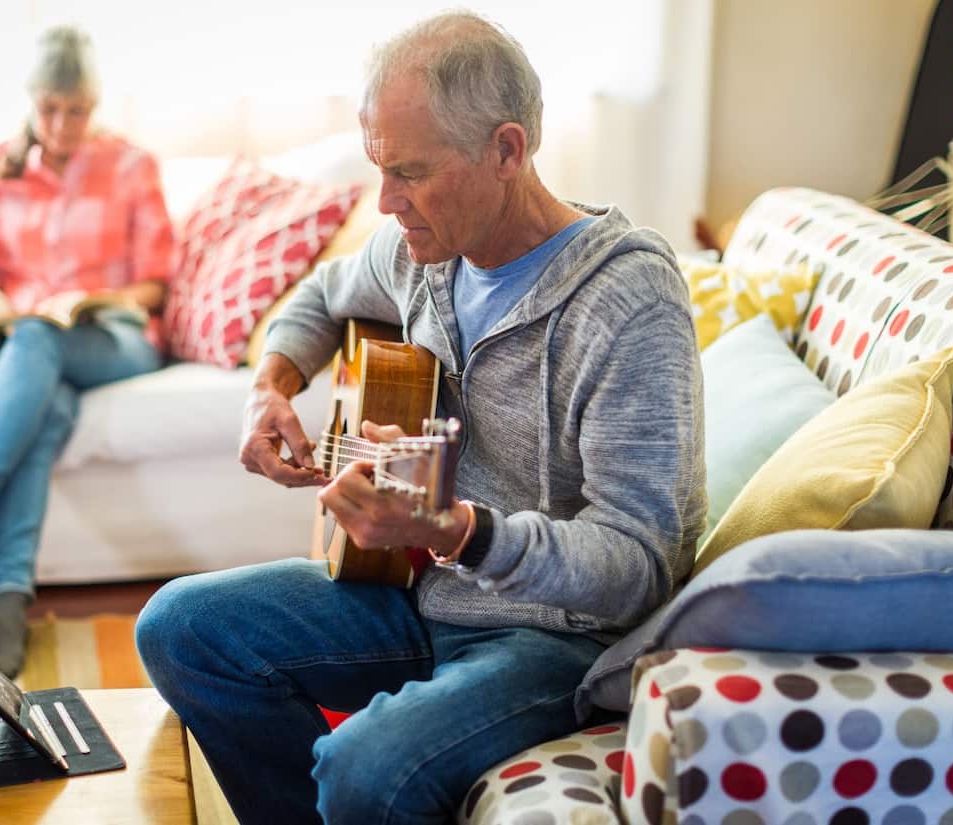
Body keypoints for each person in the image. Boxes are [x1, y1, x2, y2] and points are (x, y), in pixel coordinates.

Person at [136, 11, 705, 823]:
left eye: (409, 171)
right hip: (416, 594)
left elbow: (637, 563)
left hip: (556, 637)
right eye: (379, 168)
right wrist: (270, 382)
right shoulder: (417, 251)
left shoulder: (627, 301)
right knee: (178, 628)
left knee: (366, 767)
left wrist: (460, 530)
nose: (385, 200)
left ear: (506, 151)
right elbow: (321, 294)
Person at [0, 25, 175, 678]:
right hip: (34, 355)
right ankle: (8, 605)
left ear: (95, 106)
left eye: (77, 110)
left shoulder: (132, 165)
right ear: (31, 99)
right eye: (50, 108)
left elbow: (155, 284)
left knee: (39, 332)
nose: (62, 124)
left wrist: (95, 301)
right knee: (44, 407)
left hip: (115, 339)